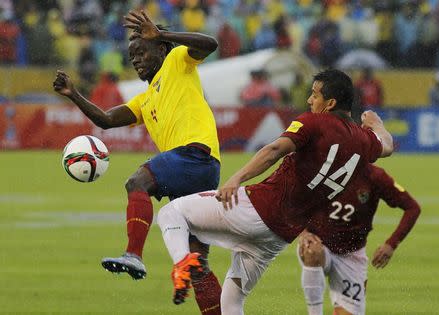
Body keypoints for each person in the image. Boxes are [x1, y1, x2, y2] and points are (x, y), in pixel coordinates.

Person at [156, 69, 394, 314]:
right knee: (231, 301)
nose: (310, 100)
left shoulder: (314, 122)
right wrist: (377, 124)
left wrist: (236, 178)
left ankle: (182, 261)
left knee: (170, 213)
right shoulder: (364, 141)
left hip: (256, 208)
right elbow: (387, 145)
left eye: (315, 95)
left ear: (330, 103)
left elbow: (274, 150)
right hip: (278, 236)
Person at [53, 10, 223, 315]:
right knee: (196, 263)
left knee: (137, 182)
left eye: (141, 51)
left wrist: (163, 34)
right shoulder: (145, 99)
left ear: (159, 48)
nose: (136, 59)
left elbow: (210, 43)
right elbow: (105, 119)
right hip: (199, 171)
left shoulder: (177, 61)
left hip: (196, 154)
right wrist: (74, 94)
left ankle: (133, 254)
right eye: (132, 55)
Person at [297, 164, 420, 315]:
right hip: (321, 245)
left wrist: (391, 244)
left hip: (352, 255)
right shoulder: (323, 167)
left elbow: (412, 208)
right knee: (312, 251)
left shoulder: (376, 176)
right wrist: (303, 232)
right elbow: (294, 200)